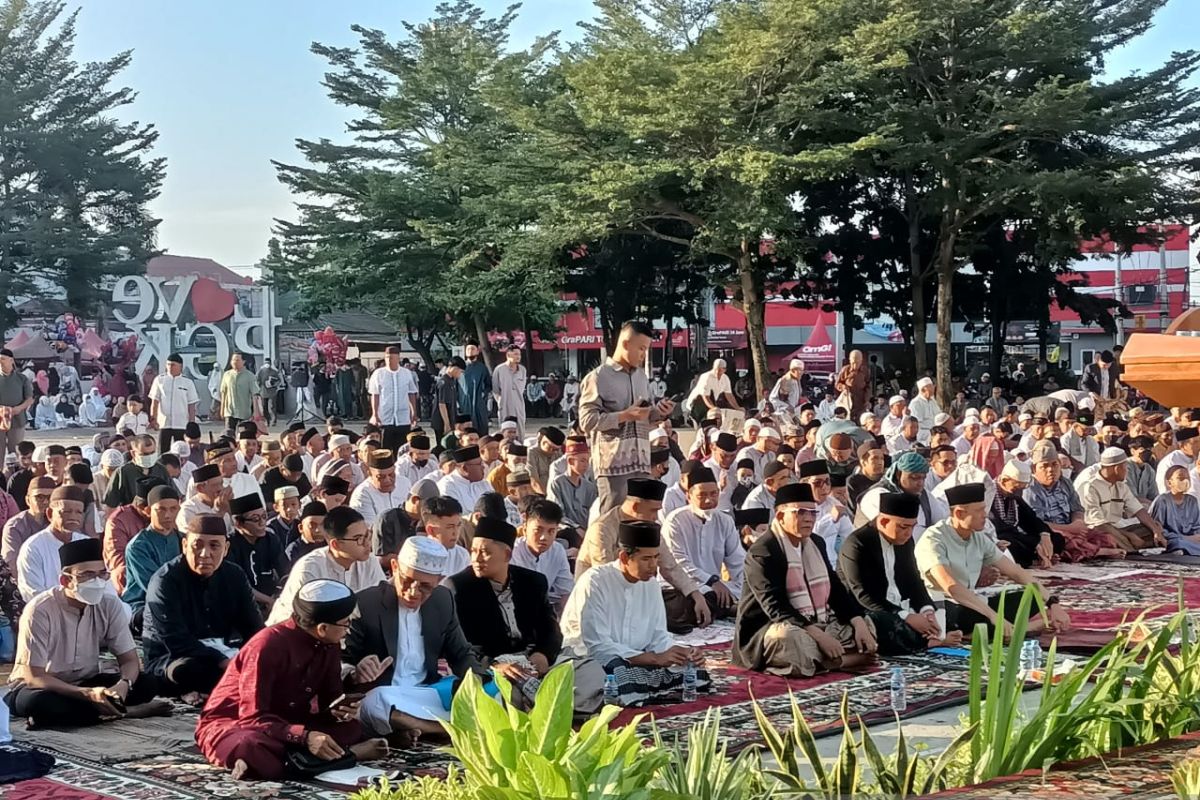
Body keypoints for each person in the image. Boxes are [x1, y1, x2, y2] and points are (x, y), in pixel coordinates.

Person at [196, 578, 388, 780]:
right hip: (237, 723)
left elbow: (329, 702)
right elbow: (253, 717)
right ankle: (352, 754)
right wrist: (304, 738)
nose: (349, 629)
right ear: (322, 628)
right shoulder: (266, 646)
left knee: (351, 729)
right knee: (251, 746)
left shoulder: (330, 644)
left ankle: (291, 761)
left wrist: (341, 709)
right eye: (346, 622)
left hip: (288, 721)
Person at [6, 538, 169, 728]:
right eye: (88, 575)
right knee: (39, 704)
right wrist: (86, 695)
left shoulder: (109, 604)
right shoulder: (40, 610)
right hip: (43, 687)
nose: (97, 582)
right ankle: (124, 712)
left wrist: (123, 685)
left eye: (102, 574)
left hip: (87, 682)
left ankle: (88, 713)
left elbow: (130, 660)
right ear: (66, 580)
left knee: (147, 683)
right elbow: (35, 676)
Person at [347, 536, 489, 739]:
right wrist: (355, 672)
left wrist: (476, 683)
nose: (413, 591)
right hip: (386, 694)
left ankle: (417, 727)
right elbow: (341, 660)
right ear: (394, 567)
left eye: (425, 586)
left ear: (438, 581)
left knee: (496, 690)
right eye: (407, 580)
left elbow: (460, 653)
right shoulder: (366, 603)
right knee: (376, 701)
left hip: (426, 693)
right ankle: (449, 729)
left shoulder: (443, 599)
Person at [560, 520, 712, 706]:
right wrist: (654, 659)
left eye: (656, 558)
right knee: (615, 674)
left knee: (692, 670)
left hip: (640, 658)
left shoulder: (651, 585)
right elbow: (598, 647)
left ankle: (639, 689)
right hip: (590, 659)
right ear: (624, 557)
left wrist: (681, 652)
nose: (653, 566)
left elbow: (658, 636)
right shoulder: (595, 582)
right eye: (646, 559)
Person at [733, 483, 878, 677]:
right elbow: (775, 606)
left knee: (866, 622)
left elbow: (835, 589)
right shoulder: (764, 550)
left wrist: (858, 623)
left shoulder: (816, 542)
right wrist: (819, 636)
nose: (808, 519)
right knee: (788, 639)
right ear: (780, 516)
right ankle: (840, 661)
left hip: (818, 620)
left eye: (812, 513)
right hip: (771, 626)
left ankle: (823, 660)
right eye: (800, 512)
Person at [444, 517, 575, 704]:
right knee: (508, 694)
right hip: (494, 665)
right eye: (473, 552)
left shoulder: (533, 582)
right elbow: (462, 645)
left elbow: (551, 629)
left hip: (532, 659)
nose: (477, 559)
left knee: (587, 671)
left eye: (485, 552)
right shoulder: (459, 587)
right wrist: (496, 665)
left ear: (507, 555)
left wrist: (543, 655)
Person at [917, 483, 1072, 639]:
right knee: (964, 615)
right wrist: (994, 616)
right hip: (943, 605)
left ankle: (1000, 629)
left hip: (973, 602)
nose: (985, 515)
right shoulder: (934, 539)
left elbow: (1016, 572)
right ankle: (1016, 629)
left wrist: (1053, 604)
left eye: (984, 509)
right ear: (959, 514)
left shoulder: (978, 537)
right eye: (979, 511)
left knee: (1031, 596)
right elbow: (952, 588)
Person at [142, 514, 265, 697]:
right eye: (197, 545)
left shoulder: (235, 575)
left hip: (226, 652)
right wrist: (221, 660)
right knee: (185, 670)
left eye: (214, 545)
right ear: (184, 546)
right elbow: (176, 641)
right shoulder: (165, 581)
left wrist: (257, 654)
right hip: (175, 657)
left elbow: (254, 629)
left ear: (225, 548)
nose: (205, 554)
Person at [837, 492, 961, 655]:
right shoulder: (857, 544)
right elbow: (864, 596)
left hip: (901, 606)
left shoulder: (904, 540)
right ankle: (928, 641)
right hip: (870, 611)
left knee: (950, 610)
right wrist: (906, 617)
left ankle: (929, 636)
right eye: (903, 527)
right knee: (886, 624)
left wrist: (927, 611)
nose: (909, 533)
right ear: (883, 521)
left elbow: (913, 581)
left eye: (912, 526)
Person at [580, 321, 676, 513]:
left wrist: (659, 412)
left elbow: (644, 415)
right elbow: (586, 421)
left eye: (646, 349)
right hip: (613, 466)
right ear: (625, 344)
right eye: (641, 348)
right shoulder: (598, 377)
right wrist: (624, 415)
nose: (644, 355)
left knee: (639, 519)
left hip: (641, 462)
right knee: (613, 522)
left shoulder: (641, 377)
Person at [661, 466, 745, 629]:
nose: (709, 500)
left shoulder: (725, 521)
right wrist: (711, 581)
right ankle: (726, 608)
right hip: (681, 586)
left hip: (716, 588)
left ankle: (728, 606)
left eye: (714, 494)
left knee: (743, 593)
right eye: (702, 495)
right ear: (688, 496)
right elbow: (678, 563)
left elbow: (738, 561)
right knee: (684, 605)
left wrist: (746, 590)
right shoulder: (675, 521)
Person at [1023, 443, 1122, 562]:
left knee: (1107, 538)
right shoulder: (1030, 489)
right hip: (1050, 531)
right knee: (1064, 542)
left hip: (1072, 528)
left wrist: (1078, 523)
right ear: (1034, 469)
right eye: (1044, 466)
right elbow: (1036, 523)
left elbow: (1077, 509)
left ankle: (1091, 551)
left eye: (1054, 464)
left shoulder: (1066, 483)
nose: (1051, 470)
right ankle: (1098, 552)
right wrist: (1069, 528)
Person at [1078, 447, 1164, 551]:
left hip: (1117, 528)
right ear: (1117, 468)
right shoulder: (1090, 486)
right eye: (1125, 466)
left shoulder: (1121, 485)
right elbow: (1098, 524)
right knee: (1110, 537)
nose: (1127, 470)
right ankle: (1131, 551)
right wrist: (1129, 535)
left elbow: (1138, 509)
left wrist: (1156, 531)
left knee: (1153, 528)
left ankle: (1131, 546)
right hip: (1097, 529)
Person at [121, 485, 184, 624]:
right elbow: (155, 585)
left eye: (173, 509)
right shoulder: (138, 546)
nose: (167, 515)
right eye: (161, 509)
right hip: (143, 604)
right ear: (148, 511)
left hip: (180, 600)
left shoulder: (183, 540)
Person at [17, 486, 90, 601]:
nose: (73, 517)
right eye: (67, 512)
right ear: (50, 514)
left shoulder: (87, 544)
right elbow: (34, 594)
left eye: (78, 512)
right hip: (47, 613)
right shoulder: (33, 547)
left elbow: (102, 584)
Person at [990, 460, 1062, 568]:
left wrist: (1044, 535)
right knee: (1012, 546)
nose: (1019, 493)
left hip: (1015, 535)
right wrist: (1034, 544)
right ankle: (1037, 557)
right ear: (1004, 481)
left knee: (1056, 539)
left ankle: (1045, 555)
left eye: (1022, 490)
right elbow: (1001, 529)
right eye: (1016, 489)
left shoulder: (1014, 496)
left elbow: (1031, 519)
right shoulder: (989, 494)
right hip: (998, 536)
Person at [227, 493, 289, 611]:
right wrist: (268, 600)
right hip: (243, 603)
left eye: (264, 516)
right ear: (238, 523)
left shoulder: (271, 538)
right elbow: (238, 585)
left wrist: (284, 595)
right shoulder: (230, 545)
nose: (262, 523)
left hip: (273, 598)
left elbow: (284, 569)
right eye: (255, 519)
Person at [509, 498, 573, 610]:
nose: (544, 537)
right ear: (524, 529)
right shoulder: (511, 553)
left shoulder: (557, 551)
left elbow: (565, 592)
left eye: (551, 531)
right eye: (538, 530)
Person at [368, 346, 419, 454]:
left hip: (403, 418)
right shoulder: (378, 374)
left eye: (392, 358)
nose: (389, 360)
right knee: (385, 449)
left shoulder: (406, 373)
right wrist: (375, 414)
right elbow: (375, 394)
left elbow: (411, 393)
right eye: (387, 358)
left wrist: (413, 412)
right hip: (385, 418)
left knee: (402, 450)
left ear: (398, 358)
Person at [148, 353, 200, 453]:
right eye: (168, 364)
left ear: (180, 366)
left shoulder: (187, 382)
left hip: (181, 423)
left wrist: (191, 423)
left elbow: (191, 405)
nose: (170, 367)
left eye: (173, 365)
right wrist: (153, 419)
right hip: (164, 422)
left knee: (181, 450)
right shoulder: (159, 380)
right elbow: (155, 401)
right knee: (163, 451)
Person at [2, 476, 54, 572]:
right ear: (28, 500)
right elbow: (13, 565)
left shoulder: (59, 523)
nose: (46, 502)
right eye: (39, 497)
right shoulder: (15, 527)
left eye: (50, 497)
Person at [348, 449, 411, 526]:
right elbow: (371, 528)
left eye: (391, 475)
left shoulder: (404, 483)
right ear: (370, 474)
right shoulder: (362, 494)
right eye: (381, 477)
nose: (388, 480)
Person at [547, 439, 598, 530]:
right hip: (566, 529)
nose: (586, 465)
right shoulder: (557, 483)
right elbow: (556, 513)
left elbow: (594, 513)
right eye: (582, 461)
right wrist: (576, 528)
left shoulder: (589, 487)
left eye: (587, 461)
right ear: (570, 461)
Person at [1148, 466, 1200, 555]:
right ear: (1169, 482)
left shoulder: (1192, 501)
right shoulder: (1162, 500)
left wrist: (1196, 536)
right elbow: (1158, 528)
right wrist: (1184, 538)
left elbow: (1197, 525)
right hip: (1172, 540)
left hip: (1192, 540)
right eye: (1181, 478)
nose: (1185, 481)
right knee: (1177, 543)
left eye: (1188, 478)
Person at [0, 349, 34, 465]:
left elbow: (29, 399)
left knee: (15, 451)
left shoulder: (22, 378)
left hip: (17, 418)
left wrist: (19, 408)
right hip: (0, 418)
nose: (1, 362)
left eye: (3, 359)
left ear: (11, 360)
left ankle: (14, 475)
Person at [218, 353, 261, 436]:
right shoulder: (226, 375)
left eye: (237, 360)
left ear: (243, 361)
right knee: (229, 434)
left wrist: (256, 411)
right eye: (233, 360)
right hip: (230, 411)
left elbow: (255, 395)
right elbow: (223, 393)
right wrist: (222, 409)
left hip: (244, 412)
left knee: (244, 434)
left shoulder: (250, 376)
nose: (234, 362)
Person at [492, 346, 528, 437]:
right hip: (504, 405)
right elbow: (495, 389)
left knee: (520, 430)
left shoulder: (523, 370)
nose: (518, 356)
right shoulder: (499, 369)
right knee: (505, 430)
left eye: (519, 354)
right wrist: (500, 401)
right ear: (508, 355)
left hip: (519, 405)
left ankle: (520, 448)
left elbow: (522, 388)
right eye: (515, 354)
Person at [432, 356, 466, 444]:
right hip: (441, 422)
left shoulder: (452, 381)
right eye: (460, 371)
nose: (460, 374)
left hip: (450, 420)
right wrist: (446, 424)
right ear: (455, 368)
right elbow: (442, 404)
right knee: (443, 446)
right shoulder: (444, 382)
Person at [1156, 427, 1200, 494]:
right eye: (1195, 442)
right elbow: (1165, 490)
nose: (1198, 445)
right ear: (1182, 445)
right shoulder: (1170, 462)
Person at [527, 427, 565, 496]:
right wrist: (548, 497)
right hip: (539, 495)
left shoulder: (558, 453)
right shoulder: (531, 453)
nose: (555, 452)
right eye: (552, 449)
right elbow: (534, 482)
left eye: (557, 449)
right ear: (544, 442)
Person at [834, 350, 869, 418]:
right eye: (853, 363)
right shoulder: (845, 370)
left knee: (860, 419)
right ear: (850, 361)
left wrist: (867, 399)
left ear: (861, 361)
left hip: (860, 400)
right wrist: (843, 387)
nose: (855, 365)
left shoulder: (865, 371)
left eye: (857, 363)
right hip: (848, 399)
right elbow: (837, 383)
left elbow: (868, 385)